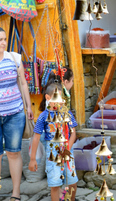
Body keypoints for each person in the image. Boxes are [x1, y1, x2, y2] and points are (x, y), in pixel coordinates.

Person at [28, 82, 78, 201]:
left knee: (72, 182)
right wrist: (33, 159)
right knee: (54, 184)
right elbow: (36, 137)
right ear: (48, 98)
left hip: (67, 151)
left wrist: (67, 149)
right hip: (52, 155)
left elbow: (74, 133)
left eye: (61, 99)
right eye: (57, 99)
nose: (60, 102)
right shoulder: (43, 116)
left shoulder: (67, 113)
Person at [0, 27, 34, 201]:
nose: (3, 42)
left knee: (13, 153)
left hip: (15, 113)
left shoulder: (14, 58)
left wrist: (28, 106)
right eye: (0, 40)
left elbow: (22, 84)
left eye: (4, 39)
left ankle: (15, 194)